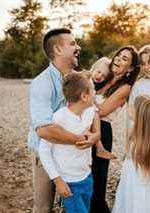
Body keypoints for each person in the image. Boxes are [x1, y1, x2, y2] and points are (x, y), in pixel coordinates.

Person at [28, 28, 99, 213]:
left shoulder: (80, 79)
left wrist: (95, 136)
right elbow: (44, 130)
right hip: (47, 154)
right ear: (58, 50)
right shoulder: (41, 83)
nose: (79, 47)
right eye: (73, 43)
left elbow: (92, 109)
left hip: (73, 158)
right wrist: (81, 140)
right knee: (44, 207)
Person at [39, 72, 99, 213]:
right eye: (93, 90)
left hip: (86, 177)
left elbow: (95, 113)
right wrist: (57, 180)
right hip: (68, 182)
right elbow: (44, 150)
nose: (95, 93)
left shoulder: (88, 111)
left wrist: (94, 136)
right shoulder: (59, 118)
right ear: (84, 96)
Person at [90, 46, 140, 213]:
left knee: (97, 183)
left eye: (125, 59)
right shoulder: (103, 77)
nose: (118, 59)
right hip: (85, 126)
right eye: (118, 56)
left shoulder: (125, 87)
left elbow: (102, 110)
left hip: (102, 130)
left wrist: (82, 99)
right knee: (82, 176)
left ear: (131, 68)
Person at [113, 95, 150, 213]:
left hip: (140, 189)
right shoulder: (136, 135)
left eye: (133, 107)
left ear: (141, 116)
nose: (130, 108)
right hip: (133, 186)